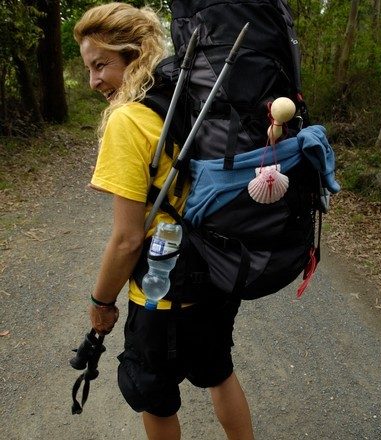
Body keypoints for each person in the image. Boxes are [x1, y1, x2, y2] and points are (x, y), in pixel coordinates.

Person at [74, 3, 254, 439]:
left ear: (134, 55)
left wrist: (101, 302)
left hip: (161, 291)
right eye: (89, 68)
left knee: (152, 394)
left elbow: (127, 240)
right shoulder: (187, 99)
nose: (95, 80)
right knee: (218, 373)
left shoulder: (128, 120)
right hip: (214, 273)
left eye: (102, 65)